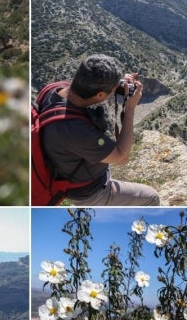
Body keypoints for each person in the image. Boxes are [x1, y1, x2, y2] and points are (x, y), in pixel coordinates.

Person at [39, 54, 160, 206]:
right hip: (90, 192)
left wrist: (114, 81)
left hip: (70, 167)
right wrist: (130, 108)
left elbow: (91, 85)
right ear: (100, 94)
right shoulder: (75, 130)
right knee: (152, 197)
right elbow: (122, 158)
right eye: (111, 90)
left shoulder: (52, 90)